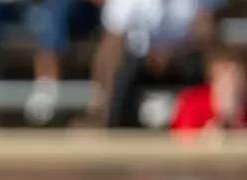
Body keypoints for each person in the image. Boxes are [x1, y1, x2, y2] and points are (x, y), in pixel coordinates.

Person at [92, 0, 221, 128]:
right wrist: (151, 56)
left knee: (206, 62)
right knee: (116, 61)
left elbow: (205, 31)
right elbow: (116, 37)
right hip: (140, 60)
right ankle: (113, 124)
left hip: (184, 56)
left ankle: (204, 122)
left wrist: (173, 54)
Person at [171, 47, 247, 131]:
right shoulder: (192, 105)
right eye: (223, 75)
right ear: (212, 79)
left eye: (236, 75)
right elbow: (179, 144)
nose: (230, 82)